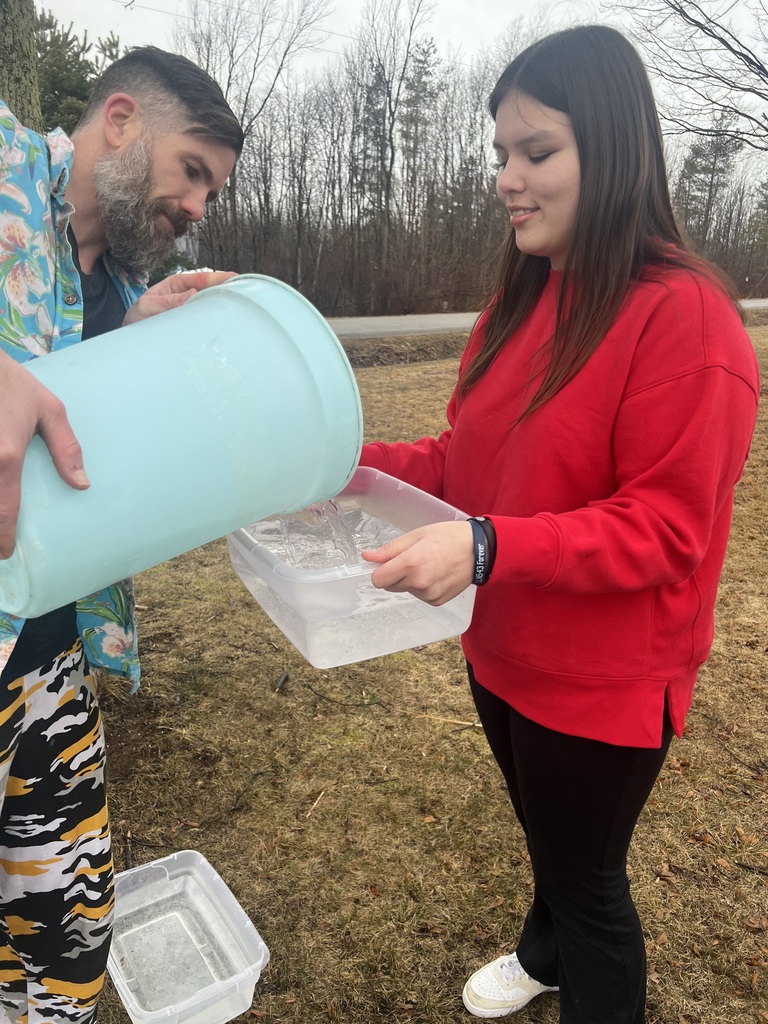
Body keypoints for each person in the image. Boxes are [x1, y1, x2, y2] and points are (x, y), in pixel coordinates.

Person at [359, 24, 760, 1024]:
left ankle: (571, 958)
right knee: (551, 844)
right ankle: (541, 953)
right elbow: (465, 461)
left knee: (591, 889)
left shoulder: (686, 316)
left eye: (537, 152)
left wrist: (488, 546)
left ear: (614, 148)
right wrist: (343, 468)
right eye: (502, 154)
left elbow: (666, 528)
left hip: (602, 685)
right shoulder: (522, 297)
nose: (508, 177)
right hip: (502, 649)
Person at [0, 46, 243, 1023]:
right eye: (193, 171)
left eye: (211, 194)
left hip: (44, 661)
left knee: (66, 932)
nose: (197, 207)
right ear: (121, 118)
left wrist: (135, 341)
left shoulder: (108, 287)